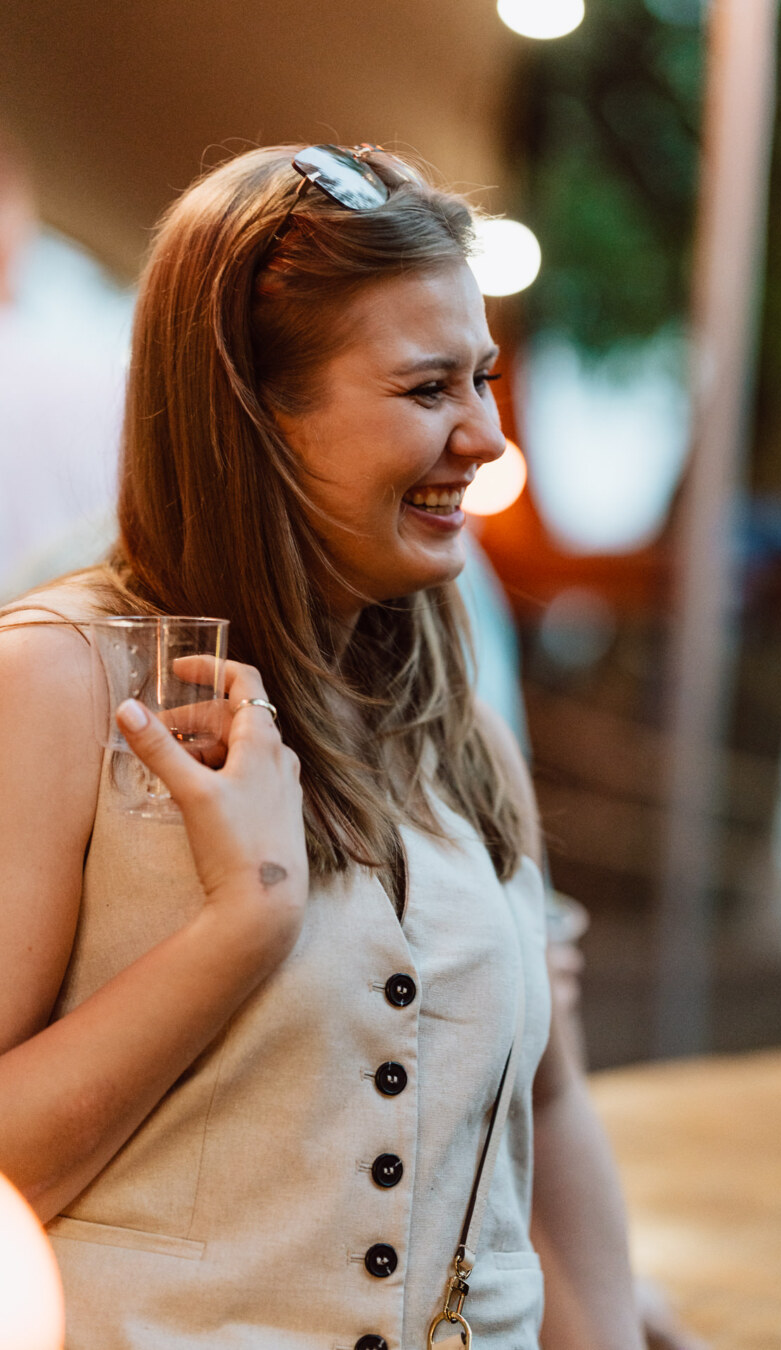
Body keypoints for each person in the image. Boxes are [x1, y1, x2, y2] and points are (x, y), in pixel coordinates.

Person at [0, 143, 645, 1350]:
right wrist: (244, 922)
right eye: (426, 390)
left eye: (483, 380)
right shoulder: (57, 681)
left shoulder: (462, 731)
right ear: (252, 409)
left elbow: (542, 1121)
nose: (487, 440)